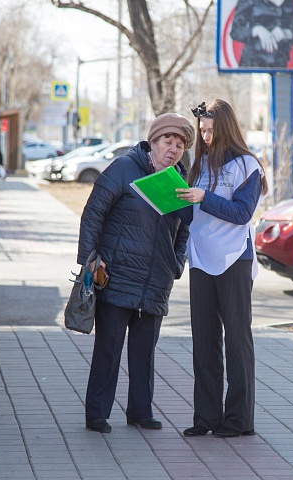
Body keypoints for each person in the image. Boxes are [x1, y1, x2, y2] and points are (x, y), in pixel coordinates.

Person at [78, 113, 194, 434]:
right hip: (117, 275)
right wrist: (90, 260)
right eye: (167, 142)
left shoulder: (179, 183)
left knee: (144, 352)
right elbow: (93, 215)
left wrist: (176, 263)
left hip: (156, 282)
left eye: (180, 144)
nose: (173, 149)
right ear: (152, 143)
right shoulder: (124, 169)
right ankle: (97, 414)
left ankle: (140, 411)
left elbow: (186, 227)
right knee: (109, 348)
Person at [176, 99, 268, 438]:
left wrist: (203, 197)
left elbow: (242, 213)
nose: (207, 136)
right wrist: (171, 201)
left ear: (227, 128)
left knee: (237, 341)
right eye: (202, 131)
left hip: (234, 260)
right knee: (204, 341)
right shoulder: (198, 165)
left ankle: (239, 421)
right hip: (200, 258)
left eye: (212, 131)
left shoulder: (248, 166)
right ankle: (206, 418)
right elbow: (191, 214)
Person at [230, 0, 293, 68]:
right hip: (252, 63)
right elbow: (235, 31)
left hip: (279, 62)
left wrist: (287, 33)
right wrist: (256, 30)